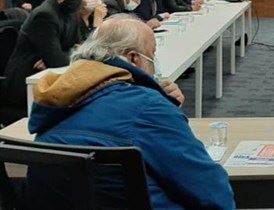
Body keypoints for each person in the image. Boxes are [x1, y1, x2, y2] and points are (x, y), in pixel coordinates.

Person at [25, 16, 234, 209]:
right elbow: (213, 193)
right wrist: (163, 110)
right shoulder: (148, 107)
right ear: (134, 58)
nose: (154, 62)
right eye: (152, 54)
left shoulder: (55, 104)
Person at [0, 0, 84, 125]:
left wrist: (64, 54)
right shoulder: (45, 15)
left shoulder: (72, 14)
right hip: (25, 83)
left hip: (50, 78)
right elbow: (58, 61)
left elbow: (80, 48)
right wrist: (67, 53)